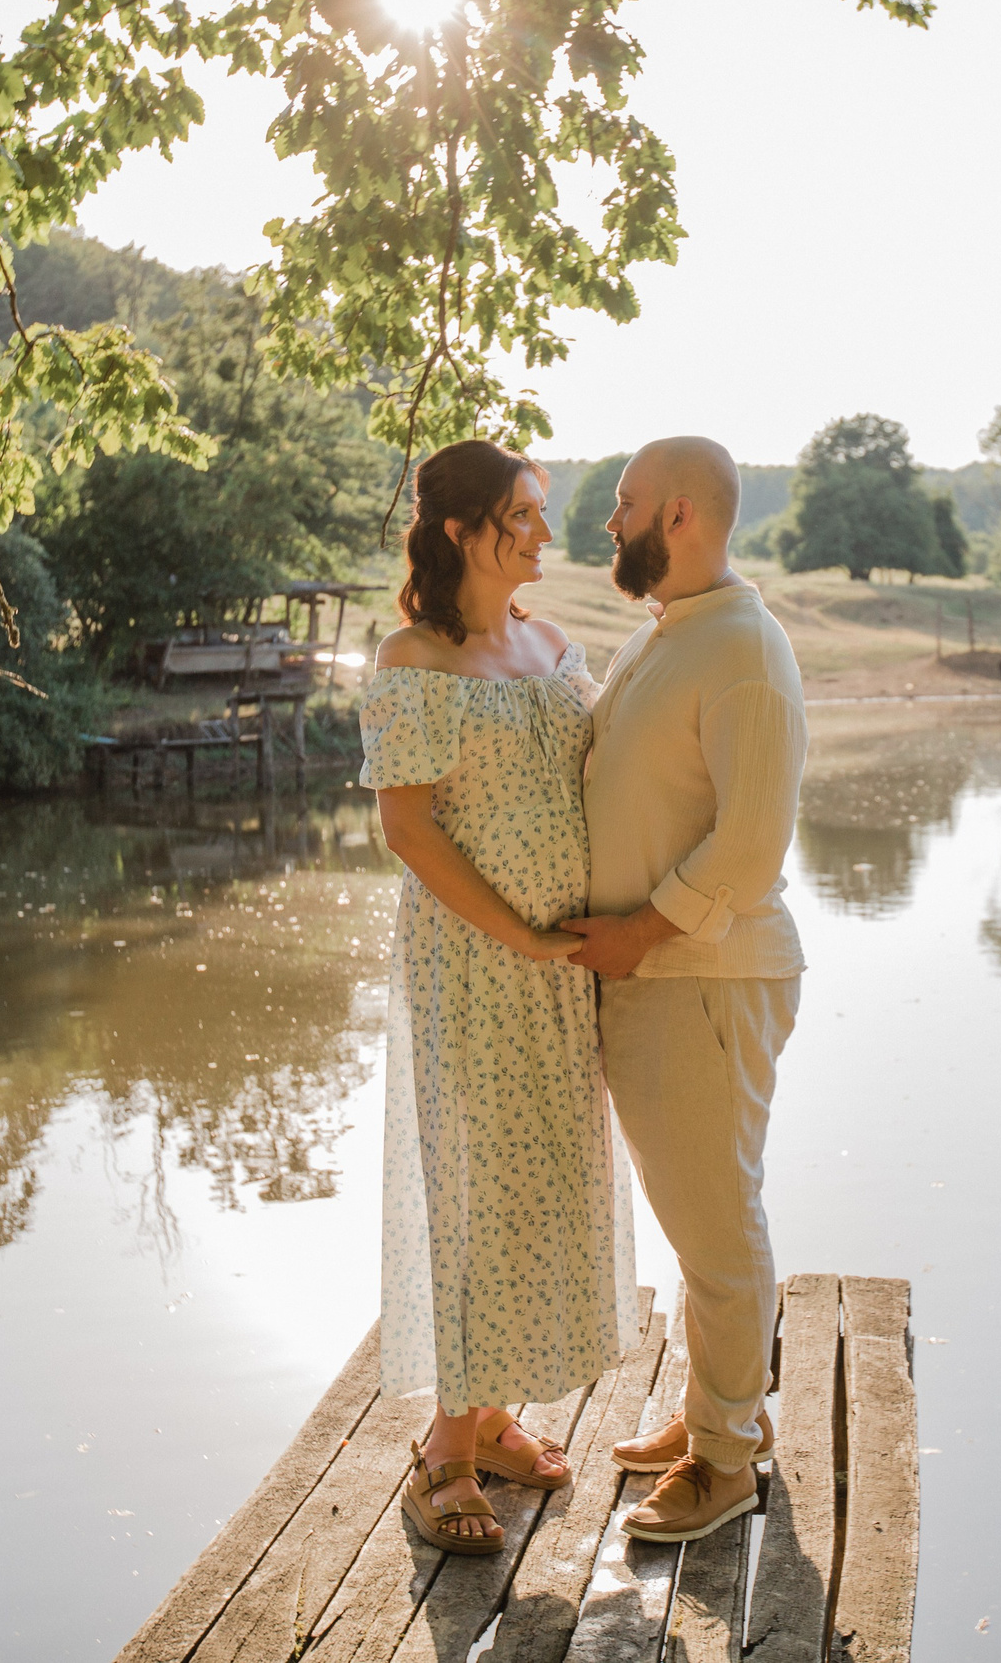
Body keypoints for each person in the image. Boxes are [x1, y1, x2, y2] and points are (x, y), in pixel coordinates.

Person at [358, 439, 638, 1555]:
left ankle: (495, 1415)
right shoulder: (412, 655)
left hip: (557, 972)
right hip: (474, 968)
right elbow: (407, 829)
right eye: (523, 513)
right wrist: (515, 932)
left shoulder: (556, 642)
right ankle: (444, 1452)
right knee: (471, 1192)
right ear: (464, 528)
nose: (544, 530)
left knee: (543, 1184)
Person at [559, 436, 807, 1545]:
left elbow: (750, 846)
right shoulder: (668, 636)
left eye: (621, 506)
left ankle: (725, 1462)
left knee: (716, 1224)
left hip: (703, 975)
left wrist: (640, 933)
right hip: (654, 975)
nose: (606, 524)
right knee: (692, 1216)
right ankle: (718, 1413)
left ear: (678, 515)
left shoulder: (743, 651)